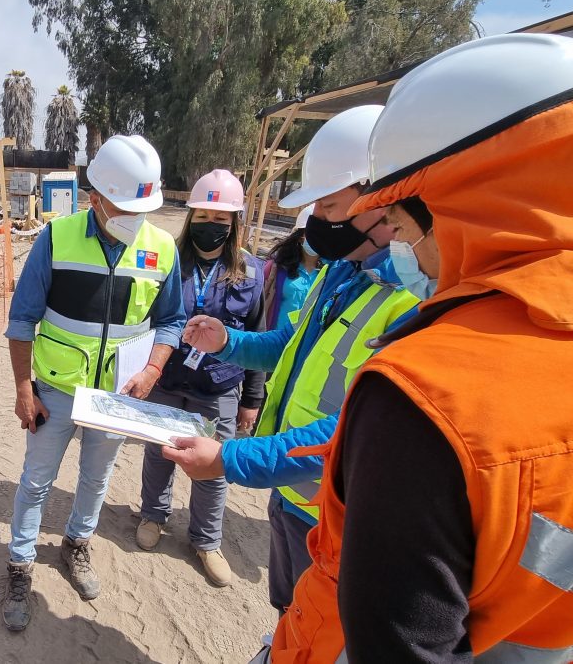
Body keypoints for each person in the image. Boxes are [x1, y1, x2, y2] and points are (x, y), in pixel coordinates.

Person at [262, 32, 573, 664]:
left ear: (455, 197)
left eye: (400, 219)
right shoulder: (340, 278)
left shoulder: (426, 390)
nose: (400, 237)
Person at [161, 105, 420, 614]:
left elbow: (354, 427)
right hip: (291, 490)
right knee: (288, 610)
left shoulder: (411, 302)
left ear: (383, 200)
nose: (316, 222)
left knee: (319, 623)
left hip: (338, 507)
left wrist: (230, 458)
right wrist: (229, 342)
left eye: (328, 206)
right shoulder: (339, 274)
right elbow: (288, 345)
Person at [1, 135, 185, 631]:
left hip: (116, 398)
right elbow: (22, 321)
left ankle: (75, 547)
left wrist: (151, 370)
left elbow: (171, 321)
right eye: (125, 205)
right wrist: (24, 388)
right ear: (96, 197)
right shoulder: (56, 238)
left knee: (96, 480)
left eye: (142, 207)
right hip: (58, 391)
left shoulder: (162, 248)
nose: (134, 216)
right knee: (36, 482)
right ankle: (20, 565)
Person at [135, 169, 266, 587]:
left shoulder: (251, 273)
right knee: (160, 453)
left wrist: (252, 397)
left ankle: (207, 540)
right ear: (191, 217)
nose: (211, 227)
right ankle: (153, 515)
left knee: (214, 466)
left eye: (221, 220)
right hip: (168, 380)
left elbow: (258, 337)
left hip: (219, 387)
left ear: (234, 225)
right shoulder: (168, 259)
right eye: (204, 217)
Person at [262, 205, 322, 331]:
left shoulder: (331, 271)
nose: (319, 238)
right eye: (312, 233)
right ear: (301, 237)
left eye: (322, 233)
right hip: (275, 341)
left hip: (305, 345)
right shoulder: (277, 268)